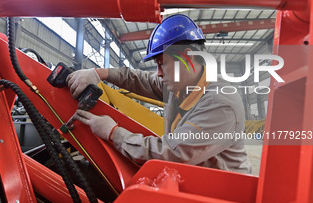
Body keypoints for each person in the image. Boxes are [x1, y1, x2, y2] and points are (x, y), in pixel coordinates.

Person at [67, 14, 252, 174]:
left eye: (162, 63)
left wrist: (113, 133)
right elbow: (140, 79)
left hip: (223, 195)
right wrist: (99, 73)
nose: (158, 73)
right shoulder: (181, 84)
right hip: (196, 176)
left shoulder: (220, 102)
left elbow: (173, 153)